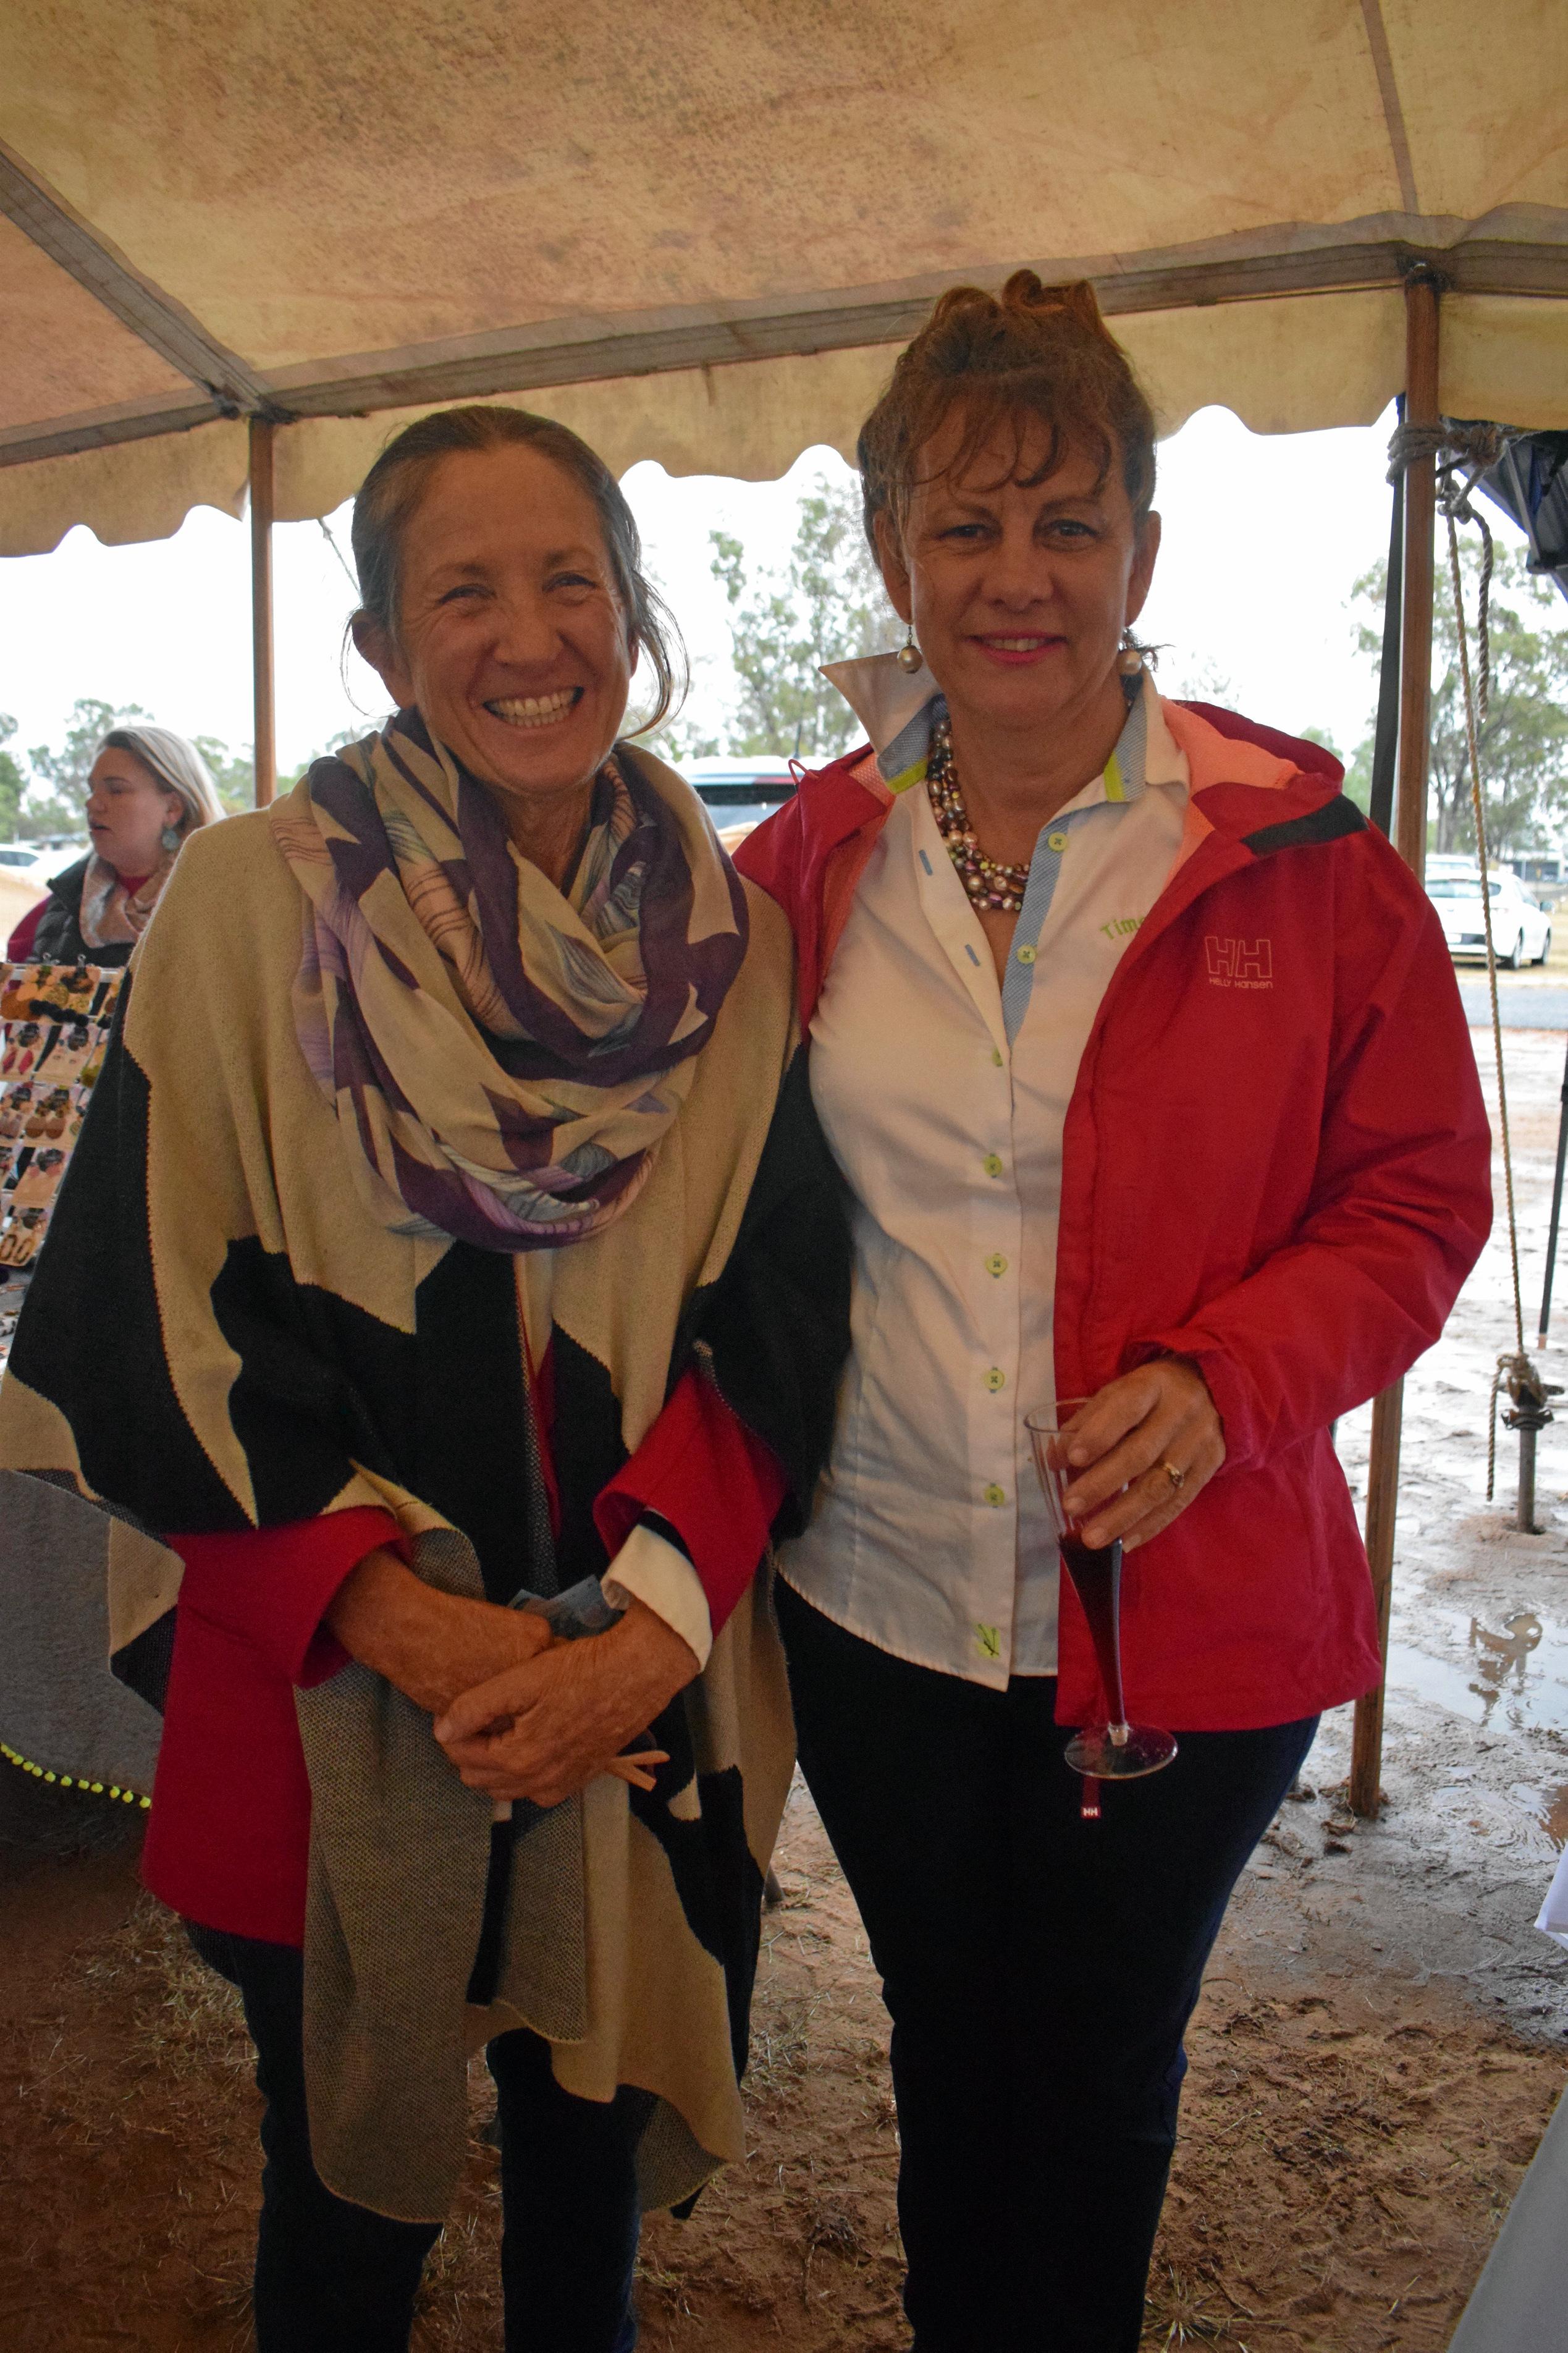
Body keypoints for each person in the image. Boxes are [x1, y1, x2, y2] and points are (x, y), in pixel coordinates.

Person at [0, 404, 845, 2352]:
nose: (529, 633)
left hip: (631, 1670)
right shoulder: (241, 915)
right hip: (321, 1680)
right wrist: (423, 1635)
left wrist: (632, 1640)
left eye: (571, 579)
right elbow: (141, 1327)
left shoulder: (737, 952)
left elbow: (786, 1315)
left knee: (582, 2182)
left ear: (631, 617)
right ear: (383, 646)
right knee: (338, 2198)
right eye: (463, 589)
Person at [735, 273, 1492, 2352]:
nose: (1013, 577)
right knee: (946, 2037)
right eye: (962, 526)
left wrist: (1222, 1373)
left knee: (1091, 2061)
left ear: (1140, 555)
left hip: (1185, 1618)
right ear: (893, 551)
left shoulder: (1302, 855)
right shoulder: (806, 859)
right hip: (873, 1596)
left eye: (1065, 522)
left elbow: (1415, 1195)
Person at [5, 725, 224, 964]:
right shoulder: (62, 906)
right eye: (92, 789)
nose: (92, 804)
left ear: (173, 808)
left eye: (116, 790)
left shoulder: (223, 901)